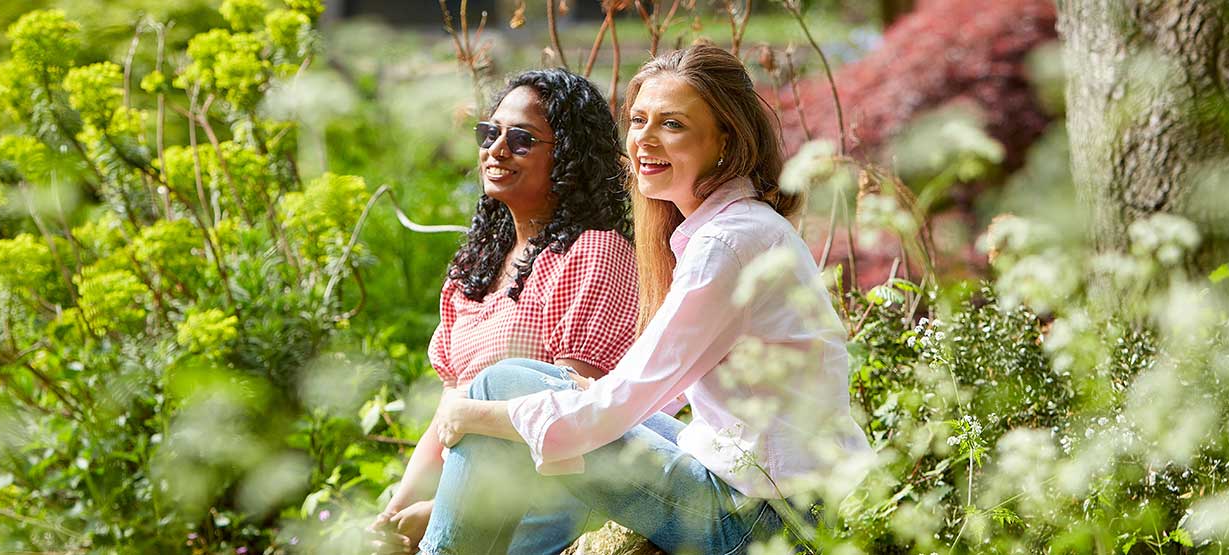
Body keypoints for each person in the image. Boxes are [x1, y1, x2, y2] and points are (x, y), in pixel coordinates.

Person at [418, 43, 874, 555]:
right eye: (638, 120)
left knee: (498, 392)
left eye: (673, 125)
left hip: (766, 520)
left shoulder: (728, 243)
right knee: (515, 386)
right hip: (769, 494)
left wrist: (481, 418)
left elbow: (629, 397)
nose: (644, 141)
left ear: (726, 140)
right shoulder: (732, 230)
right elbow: (655, 389)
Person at [369, 68, 641, 555]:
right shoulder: (472, 274)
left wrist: (438, 513)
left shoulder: (593, 254)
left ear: (570, 158)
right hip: (470, 497)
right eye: (489, 133)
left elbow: (565, 418)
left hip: (556, 498)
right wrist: (393, 513)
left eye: (520, 139)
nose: (496, 149)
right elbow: (449, 415)